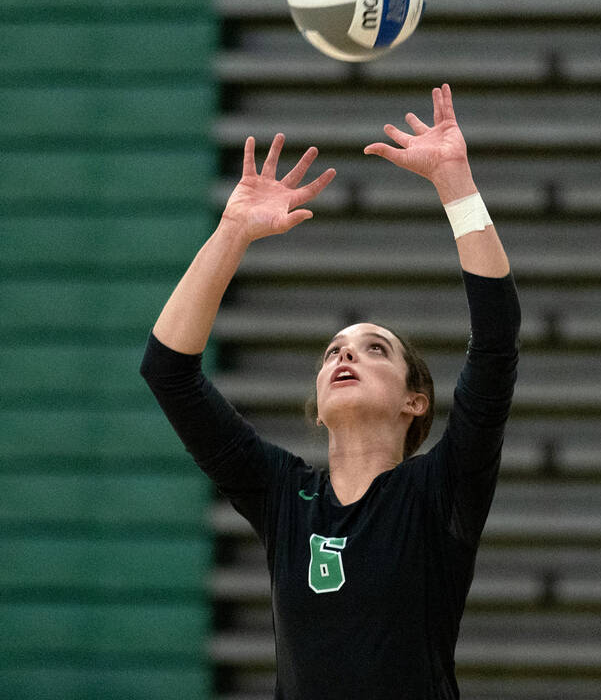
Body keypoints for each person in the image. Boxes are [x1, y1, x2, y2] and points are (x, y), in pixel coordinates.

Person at [140, 84, 520, 699]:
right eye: (333, 350)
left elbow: (497, 342)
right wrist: (233, 231)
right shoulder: (283, 496)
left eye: (375, 348)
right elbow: (168, 371)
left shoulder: (439, 490)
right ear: (317, 407)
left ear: (414, 401)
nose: (345, 353)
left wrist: (455, 182)